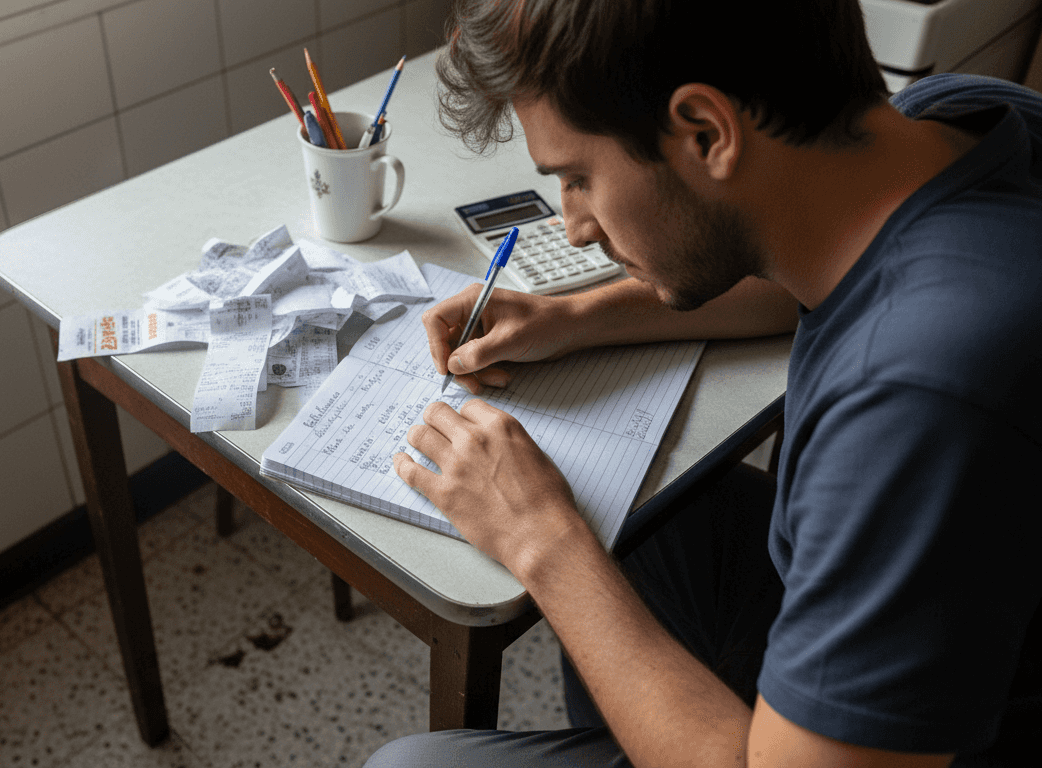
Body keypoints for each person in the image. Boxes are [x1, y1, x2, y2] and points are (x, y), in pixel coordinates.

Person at [364, 1, 1042, 766]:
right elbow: (799, 270)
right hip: (954, 612)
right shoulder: (943, 123)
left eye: (579, 177)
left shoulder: (920, 395)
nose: (576, 224)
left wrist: (542, 540)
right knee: (645, 518)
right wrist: (580, 317)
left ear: (706, 133)